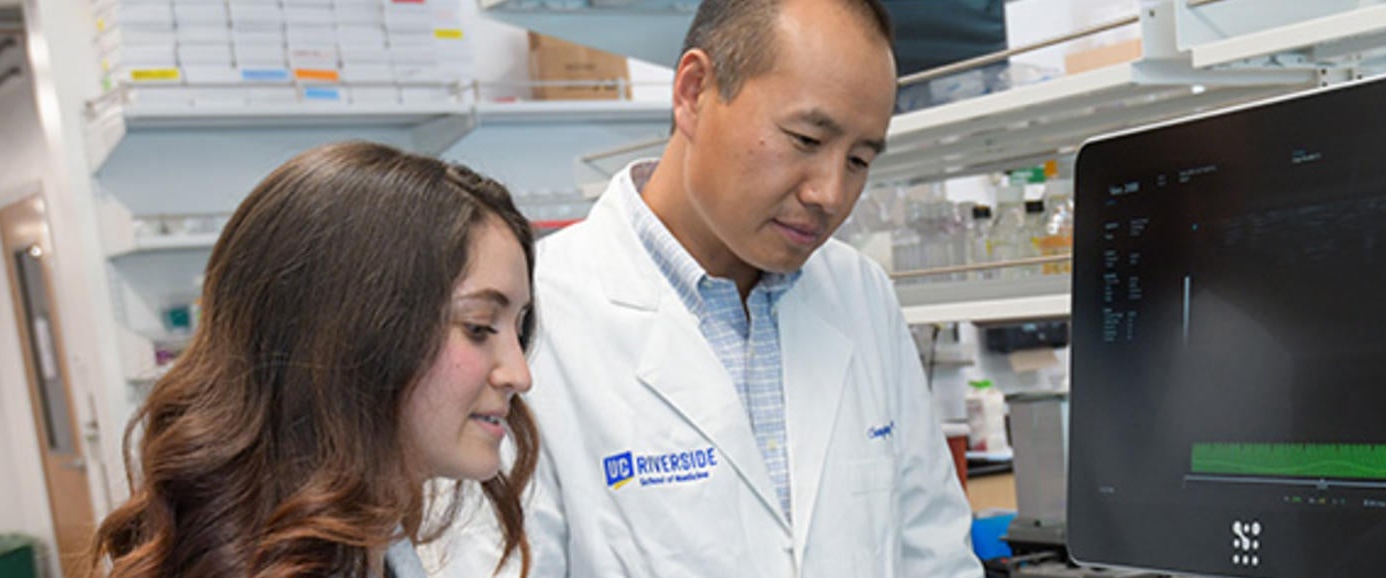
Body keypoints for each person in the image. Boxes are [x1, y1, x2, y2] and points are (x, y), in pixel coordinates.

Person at [424, 0, 981, 575]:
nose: (831, 195)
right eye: (806, 140)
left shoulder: (860, 292)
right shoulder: (532, 316)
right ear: (693, 91)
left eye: (860, 160)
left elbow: (934, 552)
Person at [84, 141, 541, 578]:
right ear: (349, 338)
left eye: (518, 328)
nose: (519, 375)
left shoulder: (368, 544)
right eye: (479, 327)